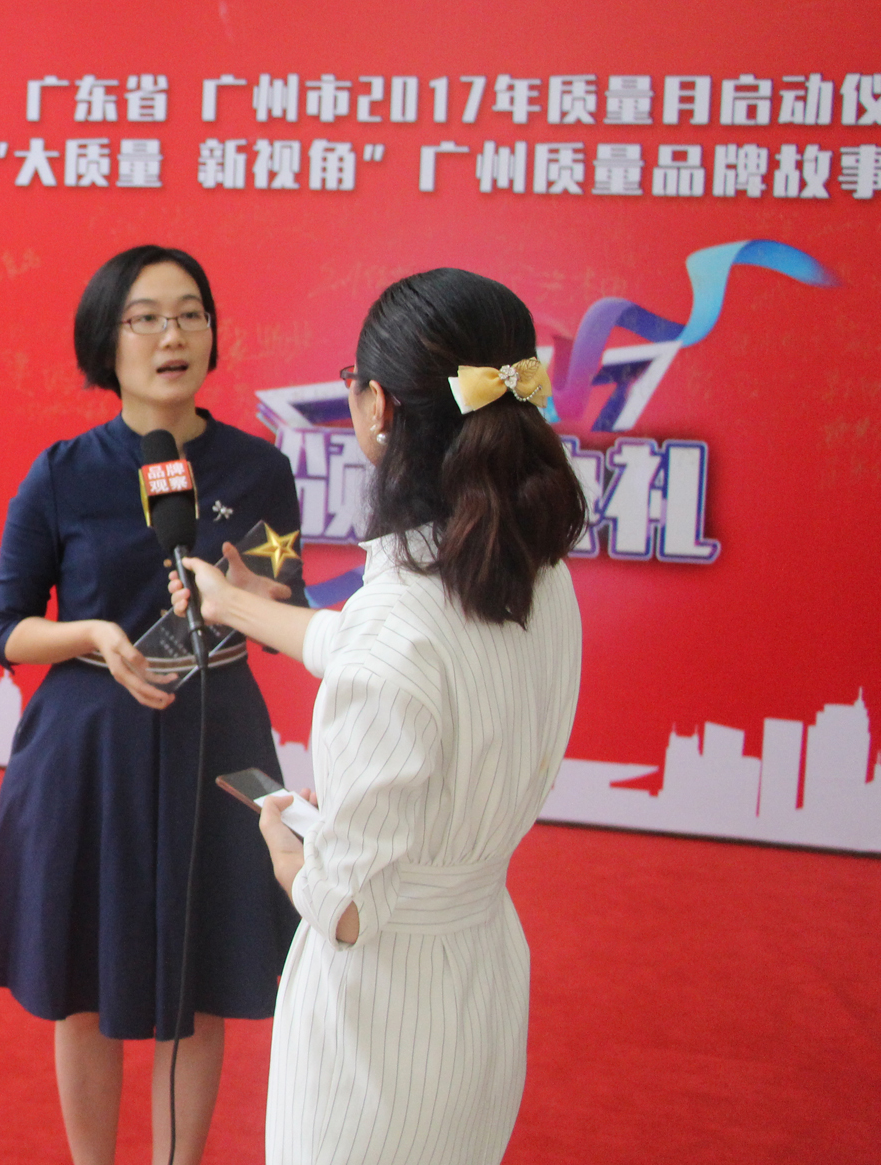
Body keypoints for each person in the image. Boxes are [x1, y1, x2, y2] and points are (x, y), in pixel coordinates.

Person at [172, 268, 587, 1165]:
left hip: (376, 1030)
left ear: (379, 408)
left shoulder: (398, 626)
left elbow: (349, 907)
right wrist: (236, 604)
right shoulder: (538, 576)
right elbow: (360, 643)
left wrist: (288, 841)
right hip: (482, 980)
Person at [0, 245, 304, 1165]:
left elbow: (290, 615)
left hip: (217, 739)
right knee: (85, 985)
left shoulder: (260, 469)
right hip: (90, 750)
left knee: (199, 981)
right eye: (146, 317)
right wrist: (91, 635)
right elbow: (4, 628)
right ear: (105, 342)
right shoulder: (63, 471)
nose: (172, 336)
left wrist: (251, 598)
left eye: (190, 314)